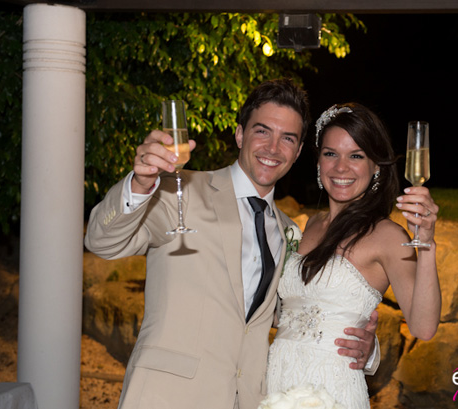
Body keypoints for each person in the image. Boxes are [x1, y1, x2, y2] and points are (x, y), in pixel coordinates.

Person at [84, 80, 378, 409]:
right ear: (240, 134)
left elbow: (294, 314)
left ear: (296, 153)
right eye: (262, 131)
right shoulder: (178, 191)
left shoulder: (290, 231)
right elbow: (102, 241)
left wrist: (366, 347)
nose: (273, 148)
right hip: (166, 397)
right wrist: (139, 182)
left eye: (288, 139)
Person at [264, 103, 441, 409]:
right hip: (277, 382)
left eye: (356, 155)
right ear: (318, 161)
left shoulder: (385, 236)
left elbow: (424, 326)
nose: (340, 167)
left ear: (376, 167)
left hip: (332, 390)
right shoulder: (302, 228)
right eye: (331, 153)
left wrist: (425, 243)